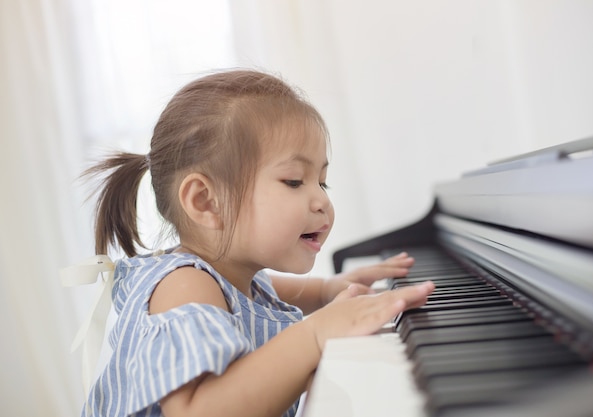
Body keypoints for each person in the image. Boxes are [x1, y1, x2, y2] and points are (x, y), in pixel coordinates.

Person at [71, 69, 435, 417]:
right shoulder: (184, 286)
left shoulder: (230, 276)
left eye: (322, 182)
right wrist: (317, 332)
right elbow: (201, 411)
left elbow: (270, 292)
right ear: (206, 202)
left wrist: (329, 290)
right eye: (294, 181)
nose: (322, 201)